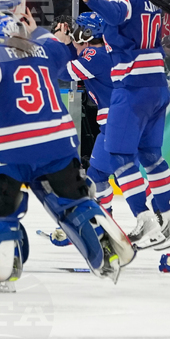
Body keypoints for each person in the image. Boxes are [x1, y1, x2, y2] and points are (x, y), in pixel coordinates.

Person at [0, 7, 134, 291]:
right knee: (71, 198)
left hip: (12, 144)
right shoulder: (42, 48)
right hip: (58, 141)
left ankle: (6, 260)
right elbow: (64, 54)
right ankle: (98, 233)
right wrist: (43, 32)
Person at [72, 0, 170, 249]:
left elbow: (117, 10)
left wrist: (89, 0)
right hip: (157, 87)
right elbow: (123, 19)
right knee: (151, 155)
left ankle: (145, 220)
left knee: (119, 154)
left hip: (133, 89)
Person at [56, 12, 117, 213]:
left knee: (124, 175)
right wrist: (66, 44)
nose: (74, 33)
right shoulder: (101, 52)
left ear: (87, 34)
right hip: (115, 124)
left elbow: (64, 72)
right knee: (97, 175)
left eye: (78, 29)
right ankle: (104, 219)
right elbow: (77, 59)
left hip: (117, 124)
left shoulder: (95, 56)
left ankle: (158, 216)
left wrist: (57, 45)